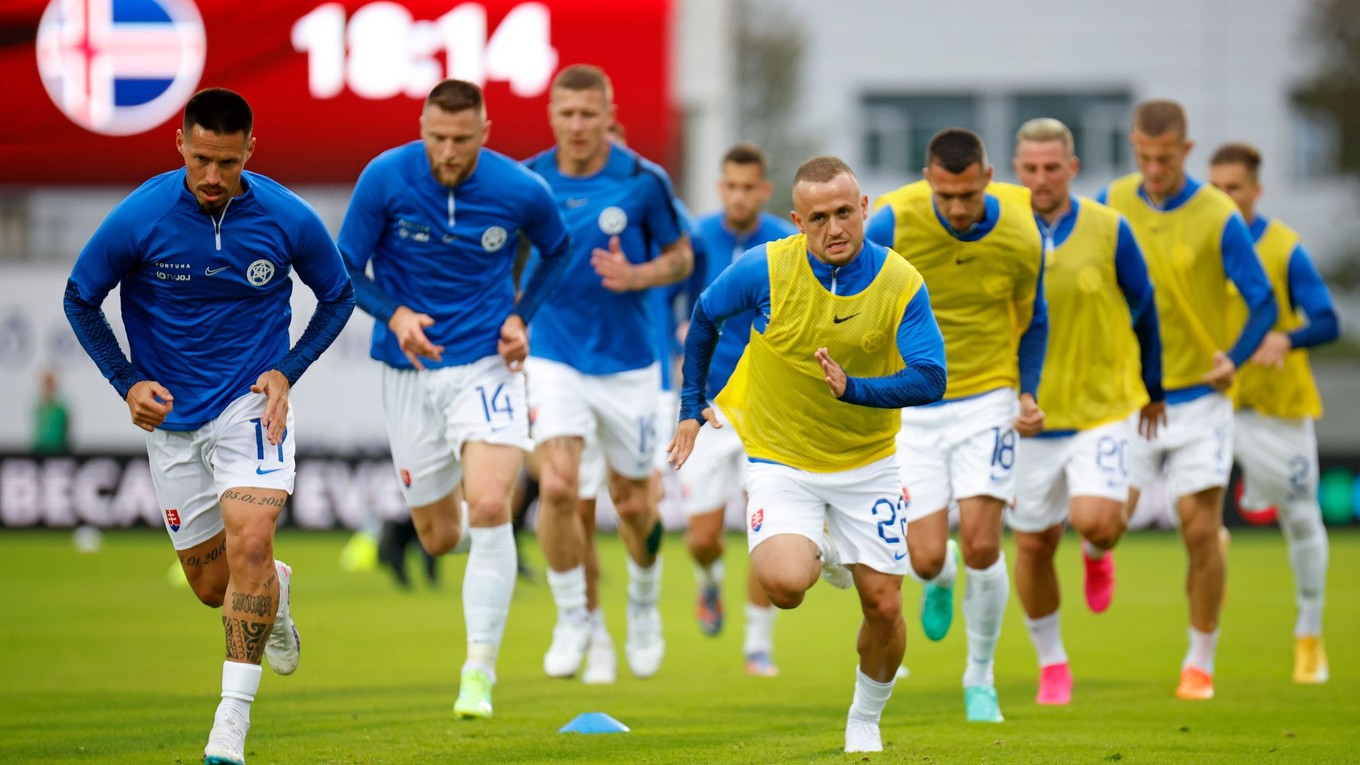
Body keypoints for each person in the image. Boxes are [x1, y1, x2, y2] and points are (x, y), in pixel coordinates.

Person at [62, 88, 355, 765]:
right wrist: (125, 378)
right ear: (180, 145)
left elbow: (338, 294)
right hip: (172, 418)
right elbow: (80, 295)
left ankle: (231, 723)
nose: (214, 176)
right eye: (201, 159)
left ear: (251, 150)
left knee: (249, 541)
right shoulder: (142, 214)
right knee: (211, 586)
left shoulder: (286, 216)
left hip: (250, 404)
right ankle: (273, 592)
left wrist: (289, 368)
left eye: (227, 161)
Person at [669, 155, 946, 753]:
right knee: (785, 586)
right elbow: (704, 316)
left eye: (845, 212)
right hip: (782, 459)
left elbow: (932, 378)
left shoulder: (900, 282)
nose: (835, 228)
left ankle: (864, 719)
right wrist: (691, 406)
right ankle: (821, 548)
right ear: (797, 221)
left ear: (865, 207)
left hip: (868, 464)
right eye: (818, 217)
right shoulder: (765, 269)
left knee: (883, 604)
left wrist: (856, 390)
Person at [338, 79, 572, 718]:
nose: (447, 151)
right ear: (422, 127)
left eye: (461, 140)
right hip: (408, 373)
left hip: (486, 365)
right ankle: (470, 557)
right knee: (440, 537)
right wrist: (393, 315)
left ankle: (478, 672)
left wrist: (522, 315)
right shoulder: (385, 177)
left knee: (492, 502)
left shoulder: (520, 189)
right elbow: (342, 268)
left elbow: (557, 250)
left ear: (485, 132)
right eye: (437, 137)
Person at [867, 128, 1047, 723]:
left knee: (982, 543)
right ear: (928, 181)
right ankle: (937, 579)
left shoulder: (1022, 230)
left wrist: (1027, 391)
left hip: (987, 400)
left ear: (988, 178)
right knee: (922, 560)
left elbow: (1036, 318)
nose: (958, 208)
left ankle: (981, 676)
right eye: (946, 195)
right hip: (916, 405)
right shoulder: (893, 221)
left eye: (968, 194)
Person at [1098, 99, 1277, 701]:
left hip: (1201, 398)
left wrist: (1237, 354)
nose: (1153, 168)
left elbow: (1264, 303)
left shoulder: (1217, 214)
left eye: (1165, 158)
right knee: (1102, 526)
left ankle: (1199, 660)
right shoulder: (1110, 202)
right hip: (1131, 397)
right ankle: (1101, 552)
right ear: (1133, 147)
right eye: (1144, 157)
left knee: (1200, 533)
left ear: (1186, 150)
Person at [521, 64, 692, 681]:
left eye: (588, 114)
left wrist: (637, 276)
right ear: (552, 115)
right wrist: (510, 322)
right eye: (566, 114)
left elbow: (681, 257)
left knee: (634, 504)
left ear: (608, 113)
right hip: (553, 355)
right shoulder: (530, 180)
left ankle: (643, 607)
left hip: (629, 366)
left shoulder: (644, 182)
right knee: (560, 487)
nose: (577, 125)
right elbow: (506, 263)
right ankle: (574, 619)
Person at [1008, 118, 1165, 705]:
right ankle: (1053, 662)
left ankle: (1099, 553)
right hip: (1029, 416)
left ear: (1072, 168)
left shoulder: (1109, 228)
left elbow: (1144, 309)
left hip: (1101, 407)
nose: (1042, 178)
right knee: (1033, 546)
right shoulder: (1002, 231)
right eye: (1031, 168)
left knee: (1097, 519)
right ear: (1014, 171)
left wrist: (1154, 387)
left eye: (1053, 168)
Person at [1209, 142, 1339, 684]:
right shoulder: (1201, 244)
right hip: (1211, 402)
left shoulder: (1285, 249)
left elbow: (1329, 321)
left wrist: (1288, 337)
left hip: (1274, 409)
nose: (1223, 199)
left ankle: (1309, 630)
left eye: (1233, 188)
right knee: (1198, 516)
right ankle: (1202, 651)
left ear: (1256, 191)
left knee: (1301, 515)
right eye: (1214, 189)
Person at [680, 142, 797, 676]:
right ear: (719, 187)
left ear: (764, 190)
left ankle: (758, 645)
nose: (740, 195)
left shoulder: (786, 242)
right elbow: (666, 300)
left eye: (750, 186)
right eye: (731, 185)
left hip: (765, 408)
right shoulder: (698, 238)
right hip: (705, 406)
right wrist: (672, 335)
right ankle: (709, 584)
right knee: (703, 538)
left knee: (763, 527)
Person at [31, 367, 71, 454]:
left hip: (57, 452)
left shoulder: (59, 410)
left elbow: (61, 435)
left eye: (49, 385)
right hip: (40, 451)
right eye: (45, 385)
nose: (46, 389)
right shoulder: (39, 408)